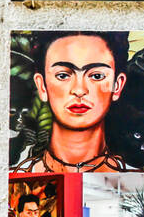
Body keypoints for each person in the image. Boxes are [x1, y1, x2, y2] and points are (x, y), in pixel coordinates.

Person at [13, 31, 134, 172]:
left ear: (117, 86)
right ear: (42, 86)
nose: (79, 90)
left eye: (96, 75)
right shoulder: (13, 179)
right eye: (63, 75)